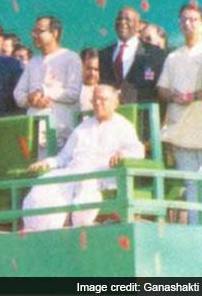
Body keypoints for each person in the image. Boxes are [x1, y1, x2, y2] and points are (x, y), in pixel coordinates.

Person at [22, 85, 145, 231]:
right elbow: (63, 157)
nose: (98, 103)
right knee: (43, 185)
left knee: (86, 187)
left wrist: (122, 154)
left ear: (115, 102)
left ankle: (79, 229)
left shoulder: (124, 126)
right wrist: (47, 162)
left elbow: (138, 150)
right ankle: (38, 231)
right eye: (95, 100)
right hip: (73, 173)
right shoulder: (83, 127)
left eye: (103, 99)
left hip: (101, 176)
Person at [157, 2, 202, 224]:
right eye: (184, 19)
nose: (188, 24)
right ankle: (196, 231)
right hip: (180, 132)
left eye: (193, 19)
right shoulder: (173, 57)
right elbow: (161, 89)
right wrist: (174, 96)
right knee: (191, 184)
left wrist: (194, 96)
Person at [13, 16, 82, 155]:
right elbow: (18, 94)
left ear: (55, 33)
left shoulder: (71, 58)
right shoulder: (34, 62)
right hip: (34, 135)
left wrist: (44, 92)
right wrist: (32, 100)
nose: (34, 35)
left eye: (39, 31)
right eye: (33, 32)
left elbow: (73, 94)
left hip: (62, 134)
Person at [98, 7, 166, 104]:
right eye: (119, 19)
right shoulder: (103, 54)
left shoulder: (154, 54)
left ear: (138, 26)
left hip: (142, 115)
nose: (122, 22)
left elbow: (161, 89)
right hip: (112, 116)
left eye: (127, 19)